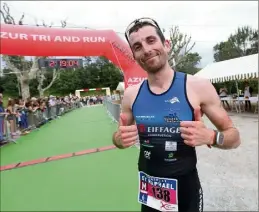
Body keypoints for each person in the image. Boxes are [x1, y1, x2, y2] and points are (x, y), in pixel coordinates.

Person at [112, 18, 241, 212]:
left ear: (166, 44)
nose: (146, 49)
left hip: (186, 187)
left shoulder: (198, 87)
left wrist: (212, 136)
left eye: (151, 40)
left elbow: (234, 137)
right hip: (150, 188)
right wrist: (119, 140)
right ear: (134, 55)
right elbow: (117, 137)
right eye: (138, 46)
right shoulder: (131, 95)